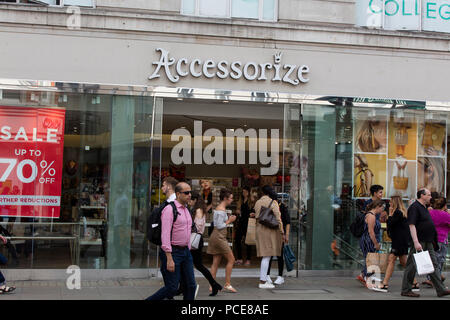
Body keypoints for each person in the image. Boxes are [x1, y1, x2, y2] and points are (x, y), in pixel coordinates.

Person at [146, 182, 197, 300]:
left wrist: (188, 249)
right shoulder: (170, 209)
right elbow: (165, 235)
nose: (190, 195)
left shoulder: (186, 210)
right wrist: (169, 258)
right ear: (178, 194)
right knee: (172, 288)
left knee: (191, 286)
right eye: (186, 193)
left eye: (190, 192)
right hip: (173, 252)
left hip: (186, 252)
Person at [400, 188, 450, 298]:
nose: (430, 197)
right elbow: (412, 225)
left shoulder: (424, 207)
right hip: (420, 240)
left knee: (433, 264)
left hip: (428, 240)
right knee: (412, 265)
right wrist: (416, 242)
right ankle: (406, 289)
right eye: (428, 195)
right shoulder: (415, 207)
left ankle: (440, 289)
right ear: (422, 195)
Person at [372, 196, 419, 292]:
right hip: (401, 241)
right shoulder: (401, 212)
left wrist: (389, 214)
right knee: (403, 262)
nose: (389, 203)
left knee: (391, 260)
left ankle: (384, 284)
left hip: (399, 241)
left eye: (391, 202)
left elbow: (390, 223)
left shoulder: (397, 213)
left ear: (395, 202)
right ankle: (414, 283)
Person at [187, 191, 223, 296]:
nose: (189, 202)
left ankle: (214, 284)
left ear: (195, 200)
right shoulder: (197, 209)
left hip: (194, 239)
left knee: (198, 265)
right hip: (195, 239)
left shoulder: (198, 210)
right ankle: (214, 284)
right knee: (197, 265)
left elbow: (197, 227)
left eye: (190, 200)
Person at [207, 188, 238, 293]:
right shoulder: (221, 210)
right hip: (219, 237)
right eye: (231, 198)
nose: (232, 200)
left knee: (216, 261)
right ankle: (227, 284)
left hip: (216, 236)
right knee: (231, 259)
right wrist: (230, 220)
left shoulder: (219, 209)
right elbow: (220, 226)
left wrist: (227, 219)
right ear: (225, 198)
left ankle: (212, 285)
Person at [254, 185, 284, 289]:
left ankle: (264, 280)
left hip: (259, 230)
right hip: (269, 231)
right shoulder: (273, 202)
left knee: (265, 255)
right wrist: (282, 231)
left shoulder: (257, 202)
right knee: (267, 256)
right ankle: (262, 282)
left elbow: (257, 216)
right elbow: (278, 218)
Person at [422, 196, 450, 288]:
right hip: (441, 239)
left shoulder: (430, 213)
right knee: (439, 260)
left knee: (432, 259)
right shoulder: (445, 215)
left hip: (431, 239)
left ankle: (432, 278)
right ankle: (432, 279)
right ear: (445, 206)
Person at [356, 199, 383, 287]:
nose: (382, 210)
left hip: (368, 240)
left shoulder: (371, 215)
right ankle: (368, 279)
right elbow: (371, 231)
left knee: (370, 259)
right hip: (368, 240)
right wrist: (376, 244)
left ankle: (363, 276)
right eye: (382, 207)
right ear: (378, 207)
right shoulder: (371, 216)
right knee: (371, 260)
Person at [266, 196, 290, 285]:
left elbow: (287, 222)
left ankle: (280, 276)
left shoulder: (282, 207)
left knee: (279, 255)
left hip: (280, 234)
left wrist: (286, 235)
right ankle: (267, 275)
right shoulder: (269, 206)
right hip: (271, 233)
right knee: (269, 254)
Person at [234, 186, 255, 266]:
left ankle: (248, 259)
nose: (244, 193)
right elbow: (238, 210)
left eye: (245, 192)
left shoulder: (252, 201)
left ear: (249, 192)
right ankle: (239, 258)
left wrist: (252, 213)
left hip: (249, 223)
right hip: (241, 222)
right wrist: (237, 211)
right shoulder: (241, 200)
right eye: (243, 192)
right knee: (237, 239)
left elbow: (254, 211)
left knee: (248, 241)